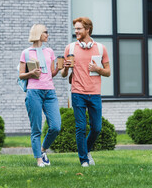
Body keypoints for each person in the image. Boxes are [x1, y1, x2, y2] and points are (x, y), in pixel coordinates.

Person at [61, 17, 110, 167]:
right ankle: (84, 160)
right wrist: (67, 68)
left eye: (79, 29)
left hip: (95, 93)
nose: (75, 31)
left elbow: (108, 72)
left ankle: (86, 150)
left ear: (87, 29)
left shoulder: (101, 48)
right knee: (81, 127)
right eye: (75, 28)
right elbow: (63, 74)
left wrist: (98, 69)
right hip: (78, 93)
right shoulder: (70, 48)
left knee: (96, 128)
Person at [19, 24, 62, 167]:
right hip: (34, 92)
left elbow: (52, 73)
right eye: (45, 32)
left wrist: (61, 68)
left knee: (56, 126)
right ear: (38, 33)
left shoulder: (49, 51)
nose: (47, 35)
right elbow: (21, 75)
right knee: (36, 128)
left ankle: (43, 149)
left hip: (50, 92)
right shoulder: (26, 53)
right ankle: (39, 159)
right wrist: (31, 73)